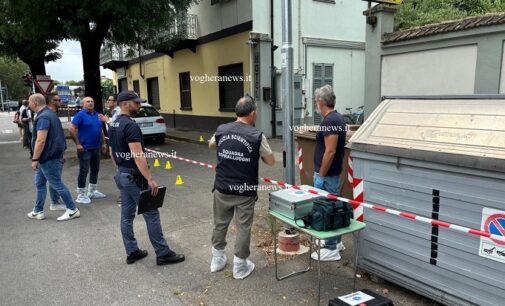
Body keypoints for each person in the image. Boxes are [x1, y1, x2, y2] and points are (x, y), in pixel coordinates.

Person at [109, 90, 185, 265]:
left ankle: (132, 251)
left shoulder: (114, 124)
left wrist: (120, 169)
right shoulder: (130, 126)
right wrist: (150, 179)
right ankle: (163, 253)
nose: (139, 105)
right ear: (125, 103)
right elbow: (138, 155)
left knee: (127, 216)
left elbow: (112, 151)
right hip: (133, 177)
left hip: (122, 174)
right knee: (151, 213)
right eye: (135, 103)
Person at [208, 95, 275, 280]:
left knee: (220, 224)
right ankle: (239, 266)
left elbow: (211, 145)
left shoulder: (221, 129)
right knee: (243, 227)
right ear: (252, 114)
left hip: (222, 187)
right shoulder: (256, 135)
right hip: (244, 191)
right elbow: (270, 161)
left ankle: (217, 260)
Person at [27, 93, 80, 221]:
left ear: (34, 103)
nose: (28, 104)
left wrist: (34, 159)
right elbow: (58, 136)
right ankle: (38, 210)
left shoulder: (44, 117)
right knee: (40, 183)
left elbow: (40, 140)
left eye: (29, 102)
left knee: (56, 183)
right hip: (50, 156)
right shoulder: (50, 114)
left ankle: (72, 209)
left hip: (47, 157)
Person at [311, 85, 347, 261]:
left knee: (328, 209)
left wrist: (321, 176)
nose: (315, 104)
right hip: (331, 174)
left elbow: (330, 151)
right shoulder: (337, 118)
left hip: (328, 176)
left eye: (315, 101)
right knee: (333, 207)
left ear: (321, 102)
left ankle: (331, 247)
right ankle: (335, 242)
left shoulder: (330, 121)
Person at [69, 96, 107, 204]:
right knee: (84, 170)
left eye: (92, 101)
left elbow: (100, 130)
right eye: (88, 101)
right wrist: (78, 144)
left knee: (95, 169)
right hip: (84, 149)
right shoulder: (80, 115)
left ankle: (92, 191)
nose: (90, 103)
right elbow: (71, 129)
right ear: (83, 104)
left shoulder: (97, 115)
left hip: (96, 147)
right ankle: (81, 194)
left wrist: (104, 143)